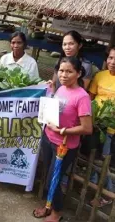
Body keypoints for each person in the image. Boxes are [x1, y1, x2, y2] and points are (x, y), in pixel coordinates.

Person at [33, 56, 92, 222]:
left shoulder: (82, 97)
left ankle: (56, 213)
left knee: (54, 179)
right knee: (48, 176)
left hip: (64, 146)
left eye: (69, 71)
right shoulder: (60, 88)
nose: (64, 75)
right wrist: (51, 91)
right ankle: (48, 206)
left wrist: (63, 130)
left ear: (79, 73)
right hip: (49, 138)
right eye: (61, 70)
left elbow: (87, 128)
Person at [88, 46, 115, 207]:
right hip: (94, 125)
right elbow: (91, 99)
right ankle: (94, 186)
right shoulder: (99, 76)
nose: (113, 62)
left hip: (110, 129)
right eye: (111, 58)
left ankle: (108, 193)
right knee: (91, 156)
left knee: (103, 160)